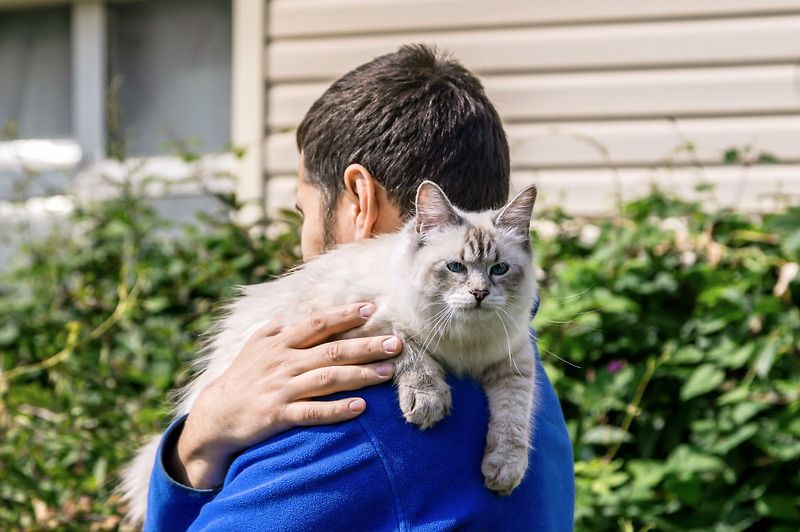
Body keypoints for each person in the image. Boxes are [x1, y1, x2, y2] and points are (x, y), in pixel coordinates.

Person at [144, 44, 574, 531]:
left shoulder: (347, 412)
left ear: (359, 199)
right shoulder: (532, 391)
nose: (301, 243)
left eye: (304, 214)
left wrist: (195, 448)